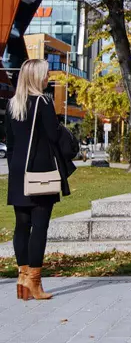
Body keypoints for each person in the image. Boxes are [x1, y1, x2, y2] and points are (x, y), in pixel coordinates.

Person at [6, 59, 72, 301]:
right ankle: (34, 282)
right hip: (41, 173)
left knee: (21, 226)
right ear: (36, 78)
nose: (48, 79)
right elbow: (54, 135)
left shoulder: (13, 104)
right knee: (39, 227)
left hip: (17, 172)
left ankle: (22, 279)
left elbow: (11, 143)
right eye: (45, 75)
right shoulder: (43, 102)